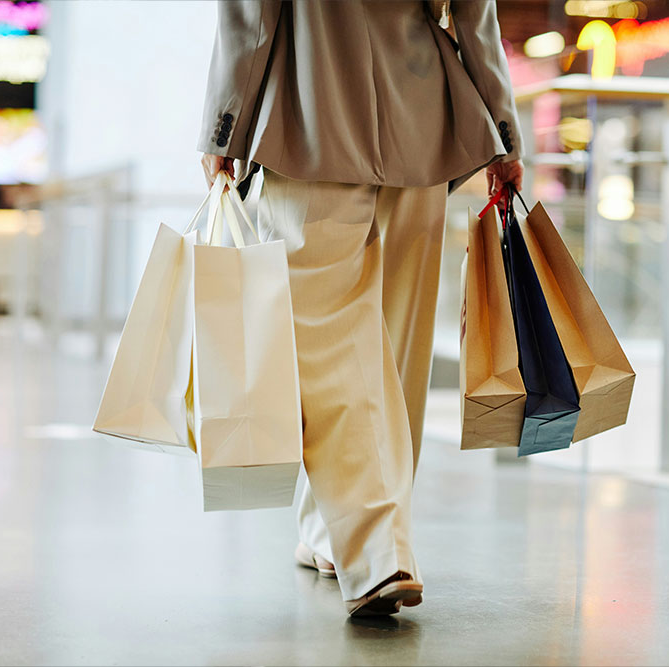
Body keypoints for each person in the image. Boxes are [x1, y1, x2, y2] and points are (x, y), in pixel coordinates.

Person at [196, 0, 524, 617]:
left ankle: (376, 551)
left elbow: (250, 16)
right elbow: (475, 15)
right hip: (424, 119)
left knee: (325, 343)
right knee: (396, 347)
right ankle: (333, 533)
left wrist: (225, 126)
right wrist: (502, 133)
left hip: (310, 116)